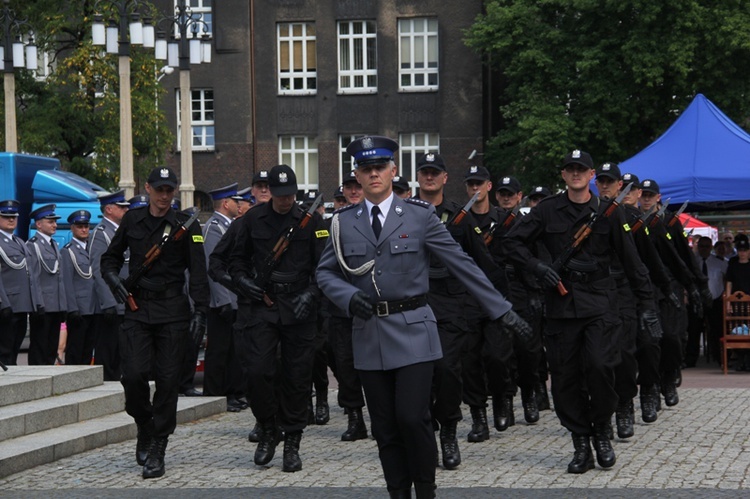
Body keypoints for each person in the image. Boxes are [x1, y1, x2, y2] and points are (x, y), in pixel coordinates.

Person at [316, 136, 530, 498]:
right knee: (384, 426)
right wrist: (349, 297)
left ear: (392, 171)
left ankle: (426, 491)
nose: (373, 175)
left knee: (412, 418)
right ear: (356, 174)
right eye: (365, 170)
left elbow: (462, 264)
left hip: (414, 329)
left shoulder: (418, 216)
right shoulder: (342, 222)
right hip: (369, 334)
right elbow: (325, 273)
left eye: (379, 168)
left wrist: (502, 310)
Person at [505, 150, 658, 474]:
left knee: (602, 367)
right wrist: (538, 267)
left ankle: (602, 428)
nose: (576, 174)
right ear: (563, 174)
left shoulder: (609, 213)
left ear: (591, 175)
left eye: (582, 170)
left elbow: (632, 262)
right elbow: (512, 243)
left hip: (600, 303)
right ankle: (580, 441)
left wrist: (647, 305)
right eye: (570, 169)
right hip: (561, 307)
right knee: (564, 380)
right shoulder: (546, 211)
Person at [100, 166, 209, 479]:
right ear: (147, 189)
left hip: (174, 310)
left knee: (168, 381)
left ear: (174, 191)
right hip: (139, 307)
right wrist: (113, 279)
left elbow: (198, 272)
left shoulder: (186, 225)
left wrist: (201, 311)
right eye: (159, 189)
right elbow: (109, 258)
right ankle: (144, 424)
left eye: (169, 190)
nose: (164, 196)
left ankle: (159, 446)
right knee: (132, 376)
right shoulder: (132, 220)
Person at [229, 164, 329, 473]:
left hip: (299, 307)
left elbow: (324, 266)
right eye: (280, 194)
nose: (286, 201)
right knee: (258, 371)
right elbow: (235, 260)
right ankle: (268, 427)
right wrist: (243, 282)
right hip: (264, 304)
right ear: (269, 191)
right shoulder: (251, 220)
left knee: (297, 377)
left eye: (290, 195)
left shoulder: (311, 222)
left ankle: (293, 442)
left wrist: (311, 294)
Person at [414, 153, 507, 470]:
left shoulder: (459, 217)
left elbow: (483, 264)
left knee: (448, 372)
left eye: (434, 173)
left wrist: (502, 307)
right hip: (413, 305)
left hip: (453, 308)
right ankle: (425, 435)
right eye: (424, 172)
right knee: (419, 376)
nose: (429, 177)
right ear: (418, 177)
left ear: (444, 178)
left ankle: (449, 432)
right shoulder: (403, 214)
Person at [461, 165, 516, 442]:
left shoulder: (505, 219)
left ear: (489, 187)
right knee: (469, 361)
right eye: (471, 184)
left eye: (479, 184)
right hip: (468, 299)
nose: (475, 189)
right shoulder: (459, 220)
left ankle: (501, 398)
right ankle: (478, 416)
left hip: (496, 297)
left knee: (497, 356)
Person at [326, 179, 371, 443]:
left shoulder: (379, 220)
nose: (354, 191)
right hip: (341, 309)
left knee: (377, 364)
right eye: (349, 188)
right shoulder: (335, 223)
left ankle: (381, 416)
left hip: (372, 306)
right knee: (345, 365)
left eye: (358, 187)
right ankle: (355, 417)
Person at [202, 183, 245, 411]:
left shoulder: (230, 226)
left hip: (233, 297)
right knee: (219, 349)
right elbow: (214, 267)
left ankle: (231, 392)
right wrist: (223, 300)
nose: (239, 205)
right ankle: (216, 392)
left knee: (233, 349)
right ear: (225, 203)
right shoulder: (213, 228)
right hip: (221, 300)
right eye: (236, 201)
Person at [89, 190, 131, 381]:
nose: (125, 210)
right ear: (108, 209)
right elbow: (98, 271)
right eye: (121, 207)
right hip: (111, 303)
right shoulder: (101, 233)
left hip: (124, 300)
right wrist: (109, 302)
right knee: (108, 350)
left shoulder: (120, 231)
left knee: (122, 350)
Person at [0, 199, 44, 366]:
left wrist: (36, 302)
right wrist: (3, 303)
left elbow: (31, 275)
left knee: (14, 349)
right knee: (4, 350)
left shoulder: (19, 242)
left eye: (14, 216)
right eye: (6, 216)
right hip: (7, 305)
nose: (11, 220)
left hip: (22, 305)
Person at [27, 204, 67, 366]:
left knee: (51, 347)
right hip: (43, 305)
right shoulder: (33, 245)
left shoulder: (53, 245)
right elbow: (33, 278)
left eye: (55, 221)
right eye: (50, 221)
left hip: (55, 305)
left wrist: (63, 305)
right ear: (38, 224)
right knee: (39, 347)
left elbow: (59, 279)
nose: (55, 225)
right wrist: (38, 304)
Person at [60, 210, 99, 365]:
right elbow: (67, 282)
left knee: (89, 348)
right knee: (76, 348)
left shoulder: (94, 248)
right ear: (72, 228)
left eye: (86, 226)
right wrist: (72, 308)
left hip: (95, 307)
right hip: (80, 308)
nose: (84, 229)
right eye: (80, 226)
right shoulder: (68, 251)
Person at [690, 236, 727, 366]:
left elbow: (726, 280)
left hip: (715, 300)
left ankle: (719, 358)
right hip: (696, 300)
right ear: (697, 247)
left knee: (717, 330)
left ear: (711, 247)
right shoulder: (692, 261)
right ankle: (691, 359)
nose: (704, 249)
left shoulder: (720, 262)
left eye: (707, 246)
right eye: (701, 246)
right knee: (694, 330)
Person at [725, 235, 750, 371]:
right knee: (738, 331)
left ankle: (748, 360)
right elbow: (729, 284)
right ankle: (740, 360)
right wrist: (728, 302)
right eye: (740, 250)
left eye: (745, 250)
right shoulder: (733, 266)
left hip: (749, 304)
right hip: (736, 304)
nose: (742, 253)